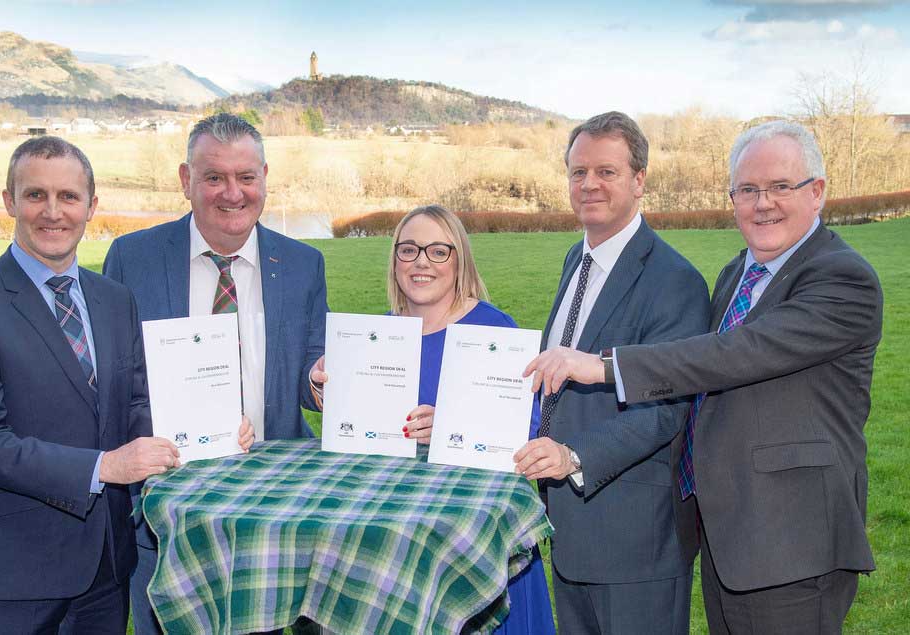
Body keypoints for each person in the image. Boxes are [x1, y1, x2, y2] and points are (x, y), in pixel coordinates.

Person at [525, 120, 882, 634]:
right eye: (747, 190)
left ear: (818, 192)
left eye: (781, 186)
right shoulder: (741, 272)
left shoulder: (843, 279)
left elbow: (734, 354)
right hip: (728, 532)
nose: (763, 203)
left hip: (792, 541)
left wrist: (604, 365)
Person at [0, 136, 253, 633]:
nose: (52, 212)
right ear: (9, 201)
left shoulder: (114, 299)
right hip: (12, 571)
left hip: (106, 565)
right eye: (36, 195)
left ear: (92, 206)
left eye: (69, 197)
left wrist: (210, 430)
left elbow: (136, 403)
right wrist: (108, 465)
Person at [103, 113, 328, 635]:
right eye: (214, 177)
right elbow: (117, 381)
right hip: (170, 510)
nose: (233, 193)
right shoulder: (132, 258)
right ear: (186, 180)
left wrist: (319, 381)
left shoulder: (302, 263)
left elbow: (307, 375)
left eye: (246, 177)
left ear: (265, 177)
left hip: (278, 509)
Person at [510, 112, 710, 634]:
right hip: (570, 528)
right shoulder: (575, 260)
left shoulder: (675, 281)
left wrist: (573, 457)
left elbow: (667, 410)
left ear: (639, 180)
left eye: (606, 172)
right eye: (578, 172)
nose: (589, 184)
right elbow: (555, 379)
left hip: (634, 543)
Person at [312, 205, 555, 634]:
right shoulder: (377, 337)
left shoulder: (494, 330)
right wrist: (327, 389)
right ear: (395, 261)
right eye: (409, 250)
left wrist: (451, 426)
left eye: (438, 251)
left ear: (459, 259)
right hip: (400, 545)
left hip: (474, 544)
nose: (421, 261)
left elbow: (529, 428)